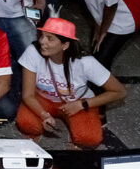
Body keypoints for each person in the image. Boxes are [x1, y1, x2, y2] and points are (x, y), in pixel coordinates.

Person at [17, 18, 126, 148]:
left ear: (65, 45)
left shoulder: (86, 62)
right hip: (43, 99)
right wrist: (44, 115)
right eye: (42, 36)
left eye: (50, 38)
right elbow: (28, 95)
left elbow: (120, 91)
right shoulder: (33, 51)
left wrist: (82, 104)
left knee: (90, 139)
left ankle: (74, 132)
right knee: (26, 124)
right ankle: (38, 130)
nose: (42, 42)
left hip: (76, 102)